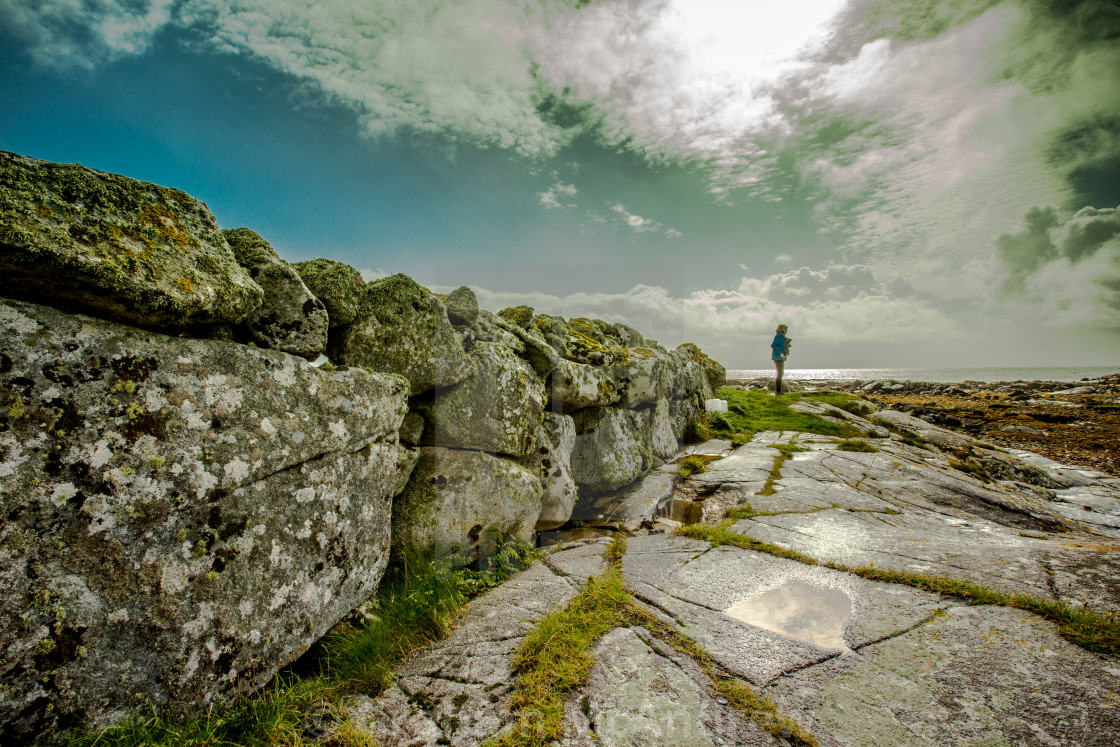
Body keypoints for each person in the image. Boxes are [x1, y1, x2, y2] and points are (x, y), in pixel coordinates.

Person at [771, 324, 791, 394]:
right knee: (780, 373)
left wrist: (787, 353)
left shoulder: (783, 336)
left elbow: (785, 347)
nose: (787, 331)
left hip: (781, 357)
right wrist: (781, 353)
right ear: (782, 329)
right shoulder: (779, 336)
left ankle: (779, 390)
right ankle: (779, 391)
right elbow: (773, 345)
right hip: (778, 357)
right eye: (786, 329)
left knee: (780, 373)